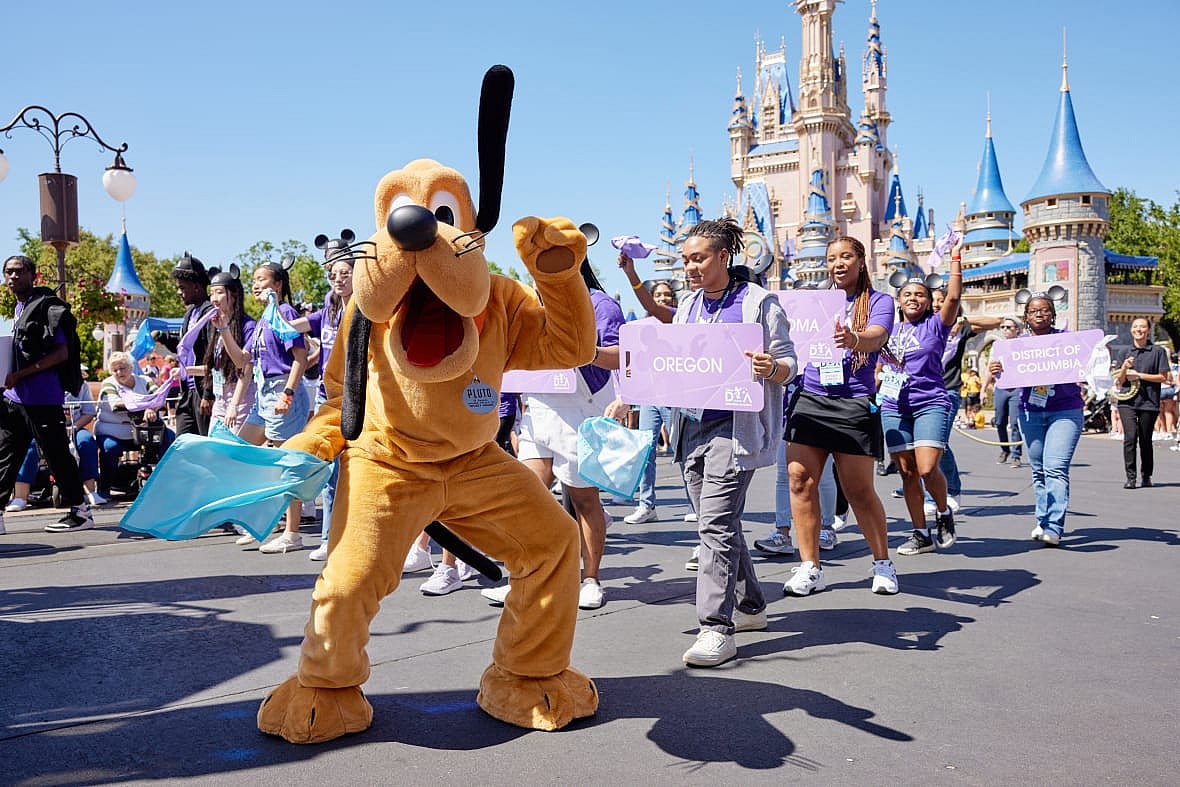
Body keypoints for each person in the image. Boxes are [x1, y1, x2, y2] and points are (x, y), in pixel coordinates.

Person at [661, 218, 795, 668]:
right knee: (718, 521)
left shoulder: (758, 302)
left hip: (735, 430)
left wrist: (769, 367)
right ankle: (752, 604)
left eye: (697, 258)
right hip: (691, 426)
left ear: (723, 257)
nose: (690, 267)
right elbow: (672, 362)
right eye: (685, 260)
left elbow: (788, 361)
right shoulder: (686, 307)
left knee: (714, 524)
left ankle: (716, 628)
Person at [785, 236, 897, 596]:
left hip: (853, 403)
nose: (838, 264)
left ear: (861, 261)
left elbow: (876, 336)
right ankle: (810, 567)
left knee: (859, 490)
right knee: (800, 481)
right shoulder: (812, 303)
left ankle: (882, 563)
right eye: (832, 258)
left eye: (846, 256)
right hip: (810, 398)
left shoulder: (880, 301)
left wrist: (853, 339)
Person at [512, 259, 623, 610]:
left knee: (585, 500)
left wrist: (583, 350)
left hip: (581, 411)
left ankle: (590, 578)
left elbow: (620, 356)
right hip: (539, 410)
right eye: (533, 270)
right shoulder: (529, 304)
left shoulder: (600, 304)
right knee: (526, 498)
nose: (537, 276)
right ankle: (526, 579)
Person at [879, 250, 963, 557]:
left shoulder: (935, 327)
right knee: (907, 473)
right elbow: (876, 363)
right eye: (907, 294)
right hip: (893, 406)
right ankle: (920, 533)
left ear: (929, 302)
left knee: (927, 469)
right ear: (898, 300)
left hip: (930, 403)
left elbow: (953, 298)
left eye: (920, 295)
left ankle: (942, 512)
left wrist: (955, 258)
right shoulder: (887, 330)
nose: (913, 298)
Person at [0, 255, 92, 535]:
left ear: (33, 275)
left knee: (56, 456)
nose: (12, 277)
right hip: (14, 398)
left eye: (18, 272)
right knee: (5, 456)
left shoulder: (48, 307)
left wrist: (21, 374)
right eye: (7, 273)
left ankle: (80, 511)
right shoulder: (20, 307)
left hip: (42, 398)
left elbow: (61, 353)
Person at [987, 293, 1084, 545]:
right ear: (1026, 317)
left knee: (1056, 468)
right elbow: (1007, 384)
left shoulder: (1067, 341)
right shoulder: (1015, 347)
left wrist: (1095, 356)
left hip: (1065, 410)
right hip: (1031, 411)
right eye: (1033, 311)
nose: (1039, 314)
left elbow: (1088, 362)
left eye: (1044, 310)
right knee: (1039, 470)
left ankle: (1054, 525)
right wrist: (998, 372)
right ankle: (1042, 520)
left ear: (1053, 314)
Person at [236, 260, 312, 553]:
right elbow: (243, 361)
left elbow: (300, 357)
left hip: (283, 390)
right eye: (253, 280)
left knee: (287, 464)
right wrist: (222, 331)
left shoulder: (286, 313)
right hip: (263, 392)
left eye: (262, 279)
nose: (256, 284)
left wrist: (289, 394)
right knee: (243, 452)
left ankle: (292, 533)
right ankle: (263, 522)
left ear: (278, 285)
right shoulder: (261, 321)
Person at [289, 252, 355, 562]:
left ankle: (351, 538)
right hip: (327, 397)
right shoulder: (326, 314)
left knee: (352, 471)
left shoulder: (366, 310)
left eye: (345, 272)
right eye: (333, 274)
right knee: (329, 470)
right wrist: (278, 302)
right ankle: (330, 538)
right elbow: (289, 327)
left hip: (356, 397)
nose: (338, 278)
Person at [612, 265, 679, 525]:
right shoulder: (640, 327)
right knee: (646, 451)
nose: (662, 299)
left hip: (675, 396)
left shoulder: (678, 321)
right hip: (650, 398)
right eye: (658, 295)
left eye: (666, 295)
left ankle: (696, 505)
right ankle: (646, 505)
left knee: (683, 452)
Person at [7, 379, 105, 511]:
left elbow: (88, 412)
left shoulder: (81, 385)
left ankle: (90, 491)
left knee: (86, 441)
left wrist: (73, 427)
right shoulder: (39, 385)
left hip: (73, 428)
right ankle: (20, 496)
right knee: (29, 446)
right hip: (40, 428)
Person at [94, 352, 175, 496]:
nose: (119, 372)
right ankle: (104, 488)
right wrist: (146, 406)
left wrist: (152, 408)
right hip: (113, 431)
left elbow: (159, 397)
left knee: (169, 437)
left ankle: (168, 482)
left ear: (131, 368)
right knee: (109, 448)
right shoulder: (108, 383)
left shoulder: (144, 380)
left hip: (143, 431)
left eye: (123, 368)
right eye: (115, 370)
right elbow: (118, 404)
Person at [1111, 317, 1169, 489]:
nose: (1139, 330)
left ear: (1148, 330)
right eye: (1135, 327)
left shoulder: (1157, 351)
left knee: (1145, 440)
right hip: (1127, 400)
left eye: (1142, 327)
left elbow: (1164, 377)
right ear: (1131, 330)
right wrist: (1124, 368)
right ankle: (1130, 477)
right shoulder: (1124, 352)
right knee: (1130, 438)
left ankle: (1146, 475)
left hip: (1149, 401)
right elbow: (1119, 381)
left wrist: (1140, 375)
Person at [204, 266, 256, 433]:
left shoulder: (248, 326)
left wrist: (234, 404)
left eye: (219, 292)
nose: (214, 298)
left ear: (233, 295)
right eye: (212, 293)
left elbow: (245, 369)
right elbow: (219, 366)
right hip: (220, 395)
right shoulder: (216, 324)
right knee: (213, 447)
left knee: (234, 450)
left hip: (240, 396)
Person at [169, 253, 215, 436]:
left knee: (205, 447)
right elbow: (185, 349)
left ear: (196, 287)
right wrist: (162, 338)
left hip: (202, 391)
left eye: (182, 287)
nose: (178, 292)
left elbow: (213, 355)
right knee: (184, 444)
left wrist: (208, 393)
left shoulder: (210, 313)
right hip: (187, 392)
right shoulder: (190, 314)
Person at [986, 317, 1025, 467]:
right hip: (1001, 387)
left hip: (1017, 388)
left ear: (1017, 329)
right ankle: (1005, 449)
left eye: (1009, 327)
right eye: (1003, 327)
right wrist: (984, 389)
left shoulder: (1023, 345)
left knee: (1015, 422)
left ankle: (1016, 454)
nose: (1005, 330)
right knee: (1000, 421)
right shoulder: (997, 347)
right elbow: (991, 368)